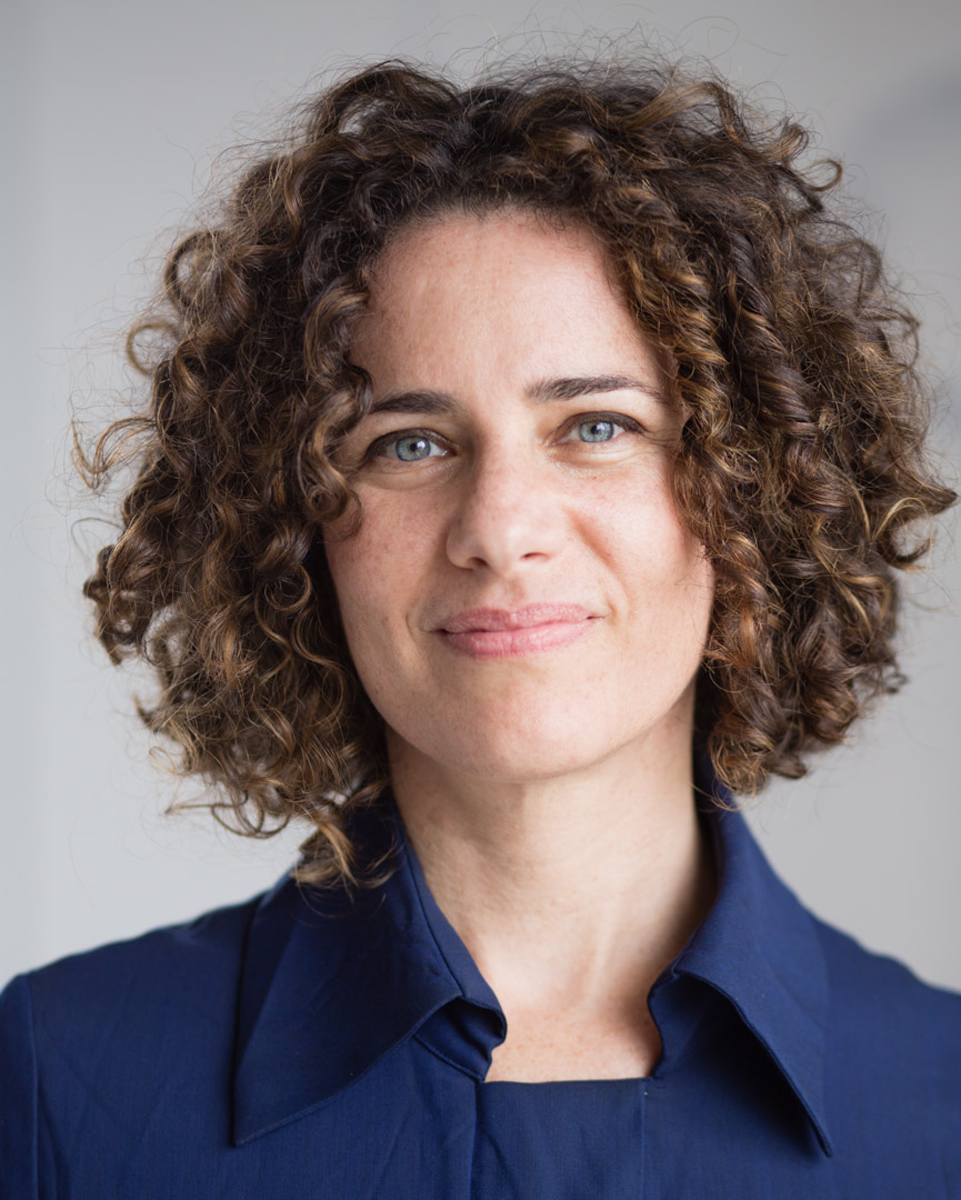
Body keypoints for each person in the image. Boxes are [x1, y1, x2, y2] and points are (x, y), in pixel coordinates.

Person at [1, 50, 959, 1198]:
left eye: (598, 426)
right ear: (292, 529)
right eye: (409, 444)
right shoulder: (61, 1080)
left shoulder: (938, 1101)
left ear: (753, 490)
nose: (500, 531)